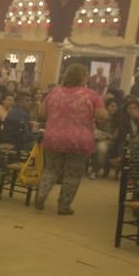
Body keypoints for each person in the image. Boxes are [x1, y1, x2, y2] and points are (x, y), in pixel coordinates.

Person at [33, 63, 107, 216]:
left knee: (51, 169)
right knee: (72, 174)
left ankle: (41, 195)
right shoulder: (91, 95)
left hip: (54, 137)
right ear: (83, 77)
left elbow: (41, 112)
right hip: (78, 140)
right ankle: (63, 205)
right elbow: (102, 115)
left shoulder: (54, 93)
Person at [89, 99, 120, 179]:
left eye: (116, 106)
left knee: (101, 147)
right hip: (96, 139)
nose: (115, 108)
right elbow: (93, 130)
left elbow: (115, 136)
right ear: (106, 107)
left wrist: (105, 136)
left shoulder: (118, 120)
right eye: (112, 106)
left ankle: (95, 171)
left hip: (111, 142)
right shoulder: (99, 117)